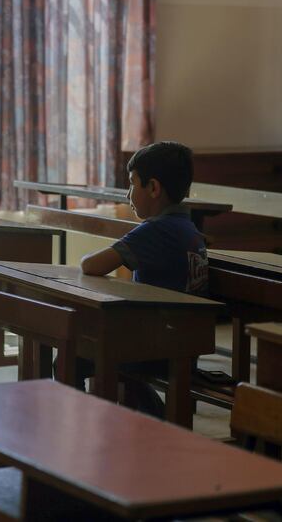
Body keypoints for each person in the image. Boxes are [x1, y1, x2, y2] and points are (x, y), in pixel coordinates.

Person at [77, 141, 221, 417]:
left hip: (159, 348)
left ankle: (82, 428)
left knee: (75, 351)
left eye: (132, 184)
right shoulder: (188, 227)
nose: (128, 194)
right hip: (185, 345)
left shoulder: (156, 230)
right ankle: (155, 420)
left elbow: (91, 265)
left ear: (153, 188)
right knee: (109, 349)